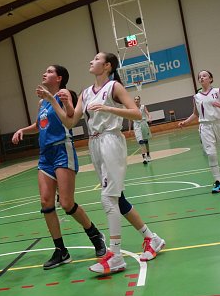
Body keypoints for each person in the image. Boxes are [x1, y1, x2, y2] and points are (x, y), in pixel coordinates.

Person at [36, 53, 165, 274]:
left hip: (111, 139)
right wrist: (52, 101)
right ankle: (151, 238)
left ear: (107, 66)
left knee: (108, 198)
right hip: (94, 144)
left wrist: (109, 109)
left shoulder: (114, 86)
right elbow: (70, 121)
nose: (91, 61)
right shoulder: (86, 93)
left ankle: (114, 255)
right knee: (118, 199)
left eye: (96, 59)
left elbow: (135, 114)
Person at [12, 65, 106, 270]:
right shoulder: (41, 102)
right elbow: (39, 126)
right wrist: (22, 130)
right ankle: (61, 250)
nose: (44, 73)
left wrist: (57, 99)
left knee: (66, 203)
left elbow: (71, 117)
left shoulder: (64, 94)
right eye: (44, 71)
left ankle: (95, 234)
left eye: (49, 71)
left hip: (62, 149)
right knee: (46, 202)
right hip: (45, 154)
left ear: (59, 78)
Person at [179, 70, 220, 193]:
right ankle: (218, 181)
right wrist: (186, 122)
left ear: (210, 79)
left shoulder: (217, 91)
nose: (201, 78)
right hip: (205, 126)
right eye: (200, 77)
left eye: (204, 76)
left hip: (219, 122)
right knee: (211, 154)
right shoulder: (196, 97)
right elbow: (195, 113)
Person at [129, 96, 152, 164]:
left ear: (139, 100)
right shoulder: (131, 108)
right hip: (136, 125)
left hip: (143, 123)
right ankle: (144, 157)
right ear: (134, 100)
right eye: (135, 99)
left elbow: (147, 113)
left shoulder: (143, 106)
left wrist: (150, 117)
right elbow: (130, 119)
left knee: (145, 141)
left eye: (137, 99)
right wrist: (129, 129)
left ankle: (148, 155)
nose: (136, 100)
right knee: (140, 141)